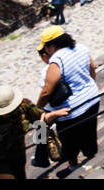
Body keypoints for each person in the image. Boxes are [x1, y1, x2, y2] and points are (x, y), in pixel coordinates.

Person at [36, 28, 100, 176]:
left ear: (51, 46)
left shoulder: (57, 60)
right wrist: (88, 89)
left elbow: (47, 90)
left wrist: (38, 107)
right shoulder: (82, 48)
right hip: (92, 98)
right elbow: (92, 69)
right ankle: (90, 152)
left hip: (70, 109)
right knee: (89, 129)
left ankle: (72, 166)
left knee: (68, 139)